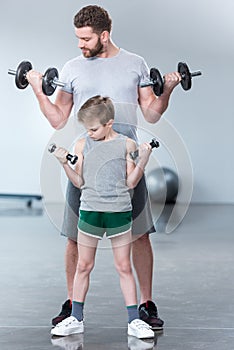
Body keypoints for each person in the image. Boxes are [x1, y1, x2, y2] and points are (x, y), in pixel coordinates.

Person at [26, 5, 181, 330]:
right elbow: (58, 118)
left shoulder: (134, 64)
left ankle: (146, 305)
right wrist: (39, 91)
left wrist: (165, 90)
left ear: (104, 35)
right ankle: (72, 305)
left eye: (85, 39)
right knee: (73, 238)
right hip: (87, 165)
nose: (80, 45)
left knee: (139, 236)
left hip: (126, 161)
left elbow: (151, 115)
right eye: (78, 38)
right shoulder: (71, 68)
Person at [50, 95, 154, 339]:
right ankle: (75, 318)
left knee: (124, 267)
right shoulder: (82, 145)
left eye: (94, 128)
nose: (90, 133)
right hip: (90, 212)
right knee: (84, 266)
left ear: (109, 123)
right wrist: (64, 164)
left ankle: (134, 321)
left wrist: (144, 160)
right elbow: (79, 181)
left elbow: (131, 182)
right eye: (87, 129)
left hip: (119, 212)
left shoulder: (127, 144)